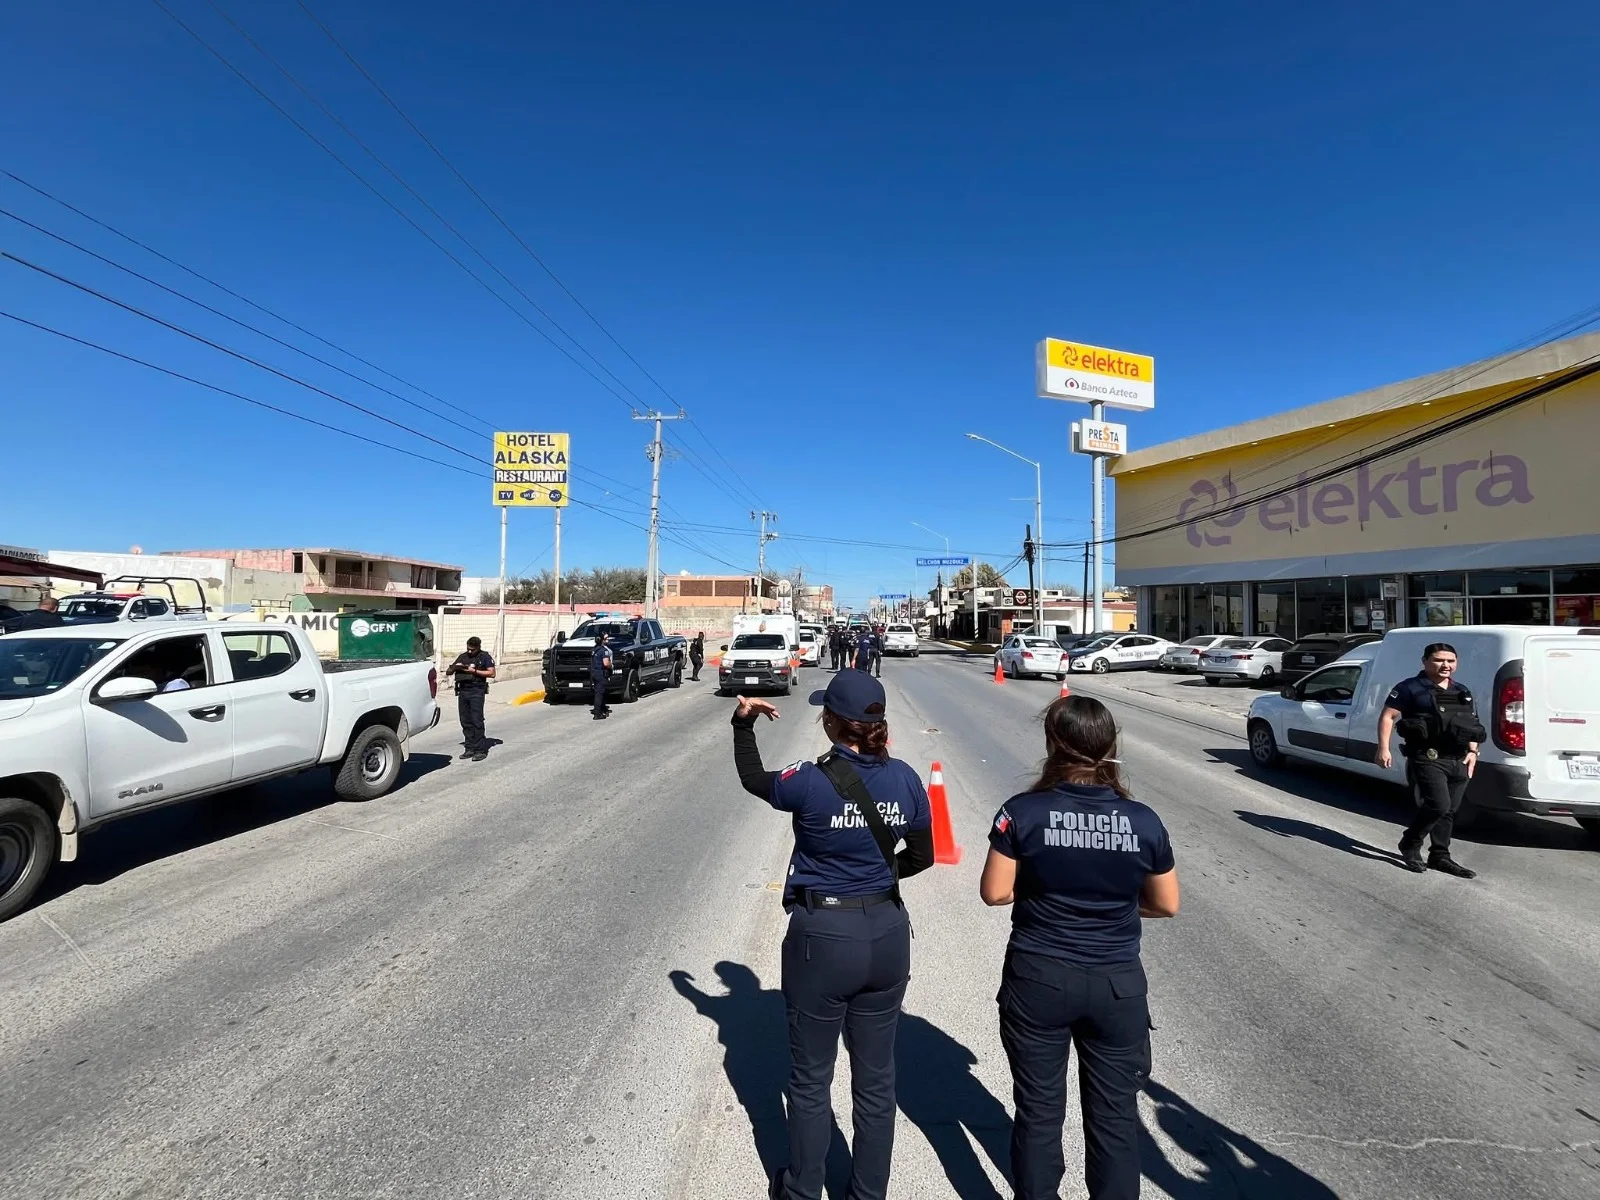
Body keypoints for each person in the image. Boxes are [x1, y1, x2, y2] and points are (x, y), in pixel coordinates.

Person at [730, 671, 934, 1200]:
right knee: (876, 1081)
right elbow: (922, 856)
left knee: (811, 1079)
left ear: (830, 722)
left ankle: (802, 1189)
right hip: (887, 933)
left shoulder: (808, 779)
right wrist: (877, 878)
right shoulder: (909, 779)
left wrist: (742, 725)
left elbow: (755, 780)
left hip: (823, 937)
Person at [981, 694, 1180, 1200]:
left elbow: (995, 892)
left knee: (1039, 1113)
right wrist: (1109, 904)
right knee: (1114, 1121)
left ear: (1052, 744)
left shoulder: (1021, 812)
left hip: (1039, 978)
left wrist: (1049, 892)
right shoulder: (1144, 821)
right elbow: (1165, 904)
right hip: (1116, 985)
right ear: (1111, 746)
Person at [1376, 642, 1484, 877]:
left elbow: (1471, 725)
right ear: (1425, 661)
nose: (1446, 665)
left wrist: (1473, 751)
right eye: (1439, 660)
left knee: (1449, 811)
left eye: (1451, 661)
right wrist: (1383, 748)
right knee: (1438, 805)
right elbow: (1388, 716)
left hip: (1459, 758)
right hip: (1427, 756)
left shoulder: (1462, 691)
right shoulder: (1409, 688)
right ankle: (1410, 843)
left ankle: (1440, 856)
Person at [449, 636, 496, 760]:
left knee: (477, 720)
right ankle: (469, 748)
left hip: (477, 690)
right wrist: (455, 667)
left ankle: (480, 750)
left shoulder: (484, 657)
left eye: (472, 650)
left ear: (478, 648)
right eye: (468, 649)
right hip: (463, 691)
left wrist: (474, 671)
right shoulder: (463, 656)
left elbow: (491, 673)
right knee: (465, 720)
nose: (470, 652)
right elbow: (449, 670)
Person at [590, 630, 614, 719]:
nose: (607, 641)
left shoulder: (594, 649)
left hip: (594, 673)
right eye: (606, 639)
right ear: (601, 640)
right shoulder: (604, 651)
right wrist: (611, 665)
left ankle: (603, 708)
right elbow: (606, 663)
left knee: (601, 692)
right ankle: (597, 713)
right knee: (600, 694)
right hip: (601, 673)